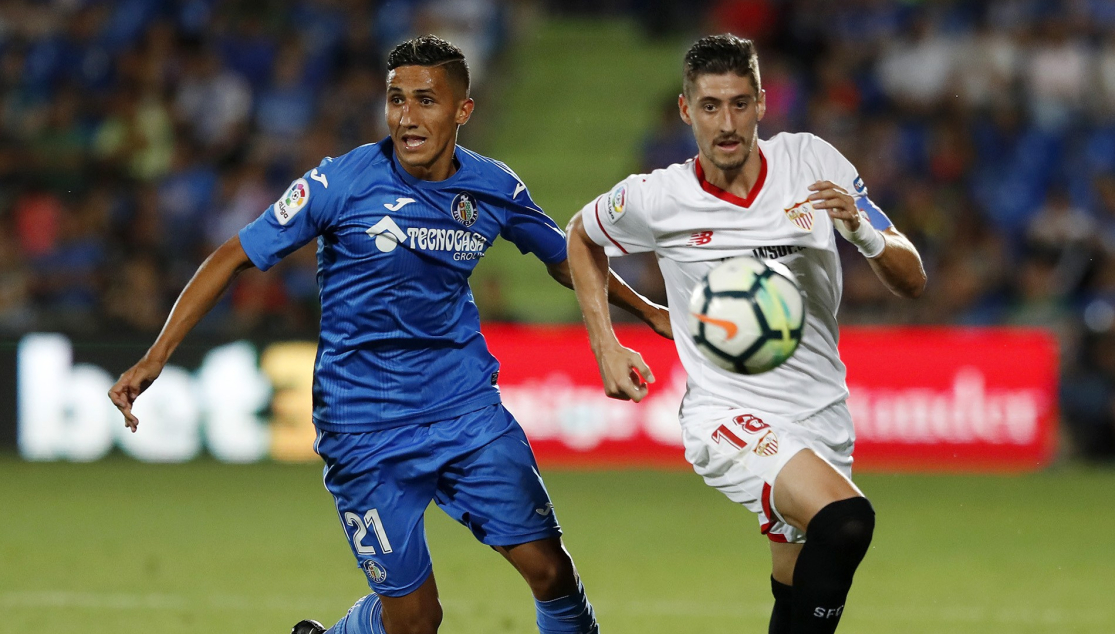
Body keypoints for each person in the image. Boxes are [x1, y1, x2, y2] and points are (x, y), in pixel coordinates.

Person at [108, 35, 670, 634]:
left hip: (464, 410)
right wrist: (156, 356)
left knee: (550, 571)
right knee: (416, 621)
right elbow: (233, 255)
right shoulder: (339, 184)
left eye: (426, 100)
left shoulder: (493, 188)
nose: (406, 116)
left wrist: (645, 312)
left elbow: (564, 258)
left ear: (463, 110)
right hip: (363, 429)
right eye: (396, 99)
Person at [565, 34, 926, 634]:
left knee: (797, 585)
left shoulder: (811, 162)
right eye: (710, 106)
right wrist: (608, 339)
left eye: (739, 103)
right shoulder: (659, 197)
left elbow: (911, 278)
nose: (726, 123)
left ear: (762, 102)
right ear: (687, 111)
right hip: (724, 412)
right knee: (845, 521)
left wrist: (861, 231)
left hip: (819, 411)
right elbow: (580, 235)